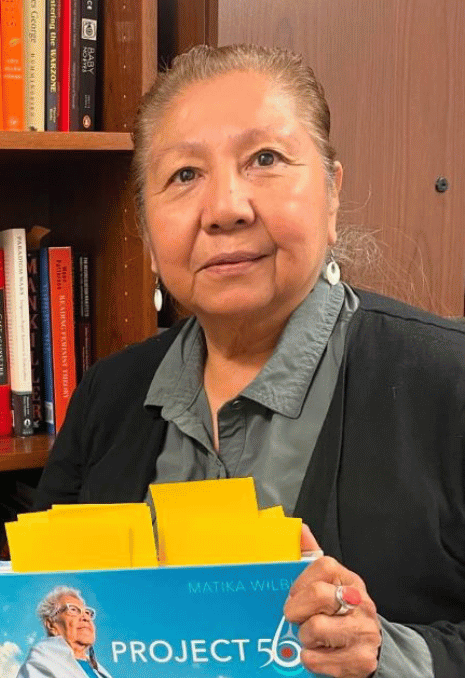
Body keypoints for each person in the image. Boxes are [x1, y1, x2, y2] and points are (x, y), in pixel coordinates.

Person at [34, 44, 465, 678]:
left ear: (332, 194)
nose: (225, 208)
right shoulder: (107, 395)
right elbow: (41, 597)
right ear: (147, 234)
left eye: (265, 159)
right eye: (185, 175)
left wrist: (389, 654)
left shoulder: (449, 380)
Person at [16, 586, 113, 678]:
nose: (86, 618)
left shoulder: (98, 670)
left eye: (87, 613)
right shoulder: (41, 664)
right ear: (51, 624)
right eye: (73, 610)